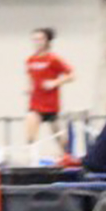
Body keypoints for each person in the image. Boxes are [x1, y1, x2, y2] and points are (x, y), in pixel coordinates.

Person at [24, 27, 74, 160]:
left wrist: (55, 82)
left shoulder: (53, 59)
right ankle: (33, 159)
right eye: (34, 39)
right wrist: (29, 88)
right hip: (36, 103)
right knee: (30, 132)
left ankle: (67, 156)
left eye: (40, 39)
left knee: (59, 137)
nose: (37, 42)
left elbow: (71, 75)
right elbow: (31, 78)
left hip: (51, 105)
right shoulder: (30, 60)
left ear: (47, 41)